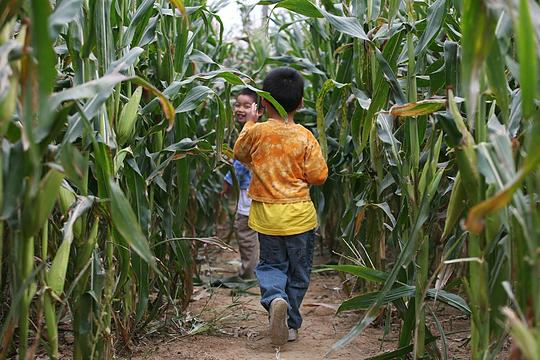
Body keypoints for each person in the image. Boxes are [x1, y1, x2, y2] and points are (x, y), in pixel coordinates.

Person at [233, 67, 328, 345]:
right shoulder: (304, 137)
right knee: (298, 273)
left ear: (262, 102)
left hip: (267, 218)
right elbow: (319, 176)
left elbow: (239, 153)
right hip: (299, 217)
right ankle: (292, 325)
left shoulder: (258, 132)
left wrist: (249, 124)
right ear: (300, 103)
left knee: (272, 265)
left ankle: (275, 297)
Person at [222, 88, 261, 279]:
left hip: (248, 194)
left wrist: (227, 183)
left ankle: (249, 273)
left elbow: (239, 166)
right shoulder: (259, 131)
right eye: (237, 104)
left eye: (247, 106)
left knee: (245, 233)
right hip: (258, 193)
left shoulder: (250, 134)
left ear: (259, 111)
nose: (240, 109)